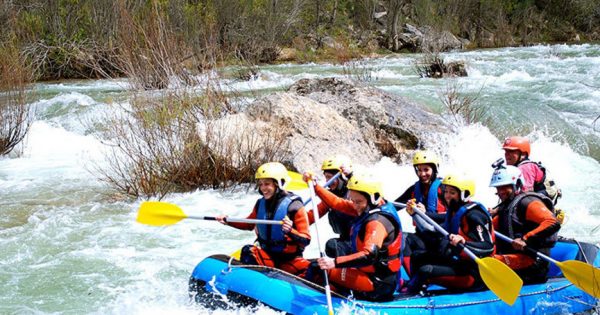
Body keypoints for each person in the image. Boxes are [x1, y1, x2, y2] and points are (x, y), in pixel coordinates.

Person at [307, 172, 403, 302]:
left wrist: (334, 262)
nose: (354, 205)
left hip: (377, 283)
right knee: (319, 262)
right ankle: (338, 290)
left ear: (372, 198)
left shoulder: (377, 223)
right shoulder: (367, 206)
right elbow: (336, 203)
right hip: (371, 273)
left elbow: (368, 255)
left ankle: (314, 301)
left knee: (317, 268)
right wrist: (316, 186)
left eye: (358, 202)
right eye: (352, 200)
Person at [403, 173, 495, 294]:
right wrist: (415, 214)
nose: (447, 196)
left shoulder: (473, 215)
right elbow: (432, 230)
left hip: (474, 272)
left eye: (452, 193)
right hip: (458, 261)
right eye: (446, 192)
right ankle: (416, 286)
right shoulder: (454, 210)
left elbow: (488, 247)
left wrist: (464, 243)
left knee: (425, 270)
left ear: (464, 194)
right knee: (417, 256)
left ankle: (410, 295)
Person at [216, 162, 311, 276]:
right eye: (260, 184)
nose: (263, 188)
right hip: (268, 257)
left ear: (278, 184)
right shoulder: (260, 203)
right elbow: (248, 224)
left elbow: (306, 240)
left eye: (267, 184)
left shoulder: (295, 205)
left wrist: (290, 230)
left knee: (313, 271)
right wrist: (228, 221)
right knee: (248, 251)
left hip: (289, 260)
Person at [489, 165, 561, 284]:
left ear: (516, 184)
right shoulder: (505, 206)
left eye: (505, 187)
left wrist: (525, 239)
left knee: (488, 264)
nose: (500, 191)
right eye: (498, 187)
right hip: (515, 257)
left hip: (533, 261)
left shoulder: (527, 202)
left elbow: (553, 223)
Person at [395, 151, 447, 276]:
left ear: (434, 169)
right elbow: (394, 205)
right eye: (419, 170)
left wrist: (426, 214)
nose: (422, 174)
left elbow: (454, 215)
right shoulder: (415, 189)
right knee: (402, 238)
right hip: (423, 236)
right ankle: (413, 279)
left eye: (426, 169)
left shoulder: (445, 189)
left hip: (442, 238)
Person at [305, 155, 355, 257]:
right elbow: (314, 214)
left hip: (359, 240)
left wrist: (351, 175)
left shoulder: (354, 193)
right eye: (326, 177)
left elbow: (362, 187)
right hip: (345, 238)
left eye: (330, 177)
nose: (328, 182)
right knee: (332, 247)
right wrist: (296, 220)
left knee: (332, 247)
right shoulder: (330, 196)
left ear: (341, 177)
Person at [501, 136, 561, 203]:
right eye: (506, 151)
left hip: (544, 195)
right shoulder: (518, 167)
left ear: (523, 154)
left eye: (511, 151)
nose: (507, 154)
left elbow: (526, 194)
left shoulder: (525, 168)